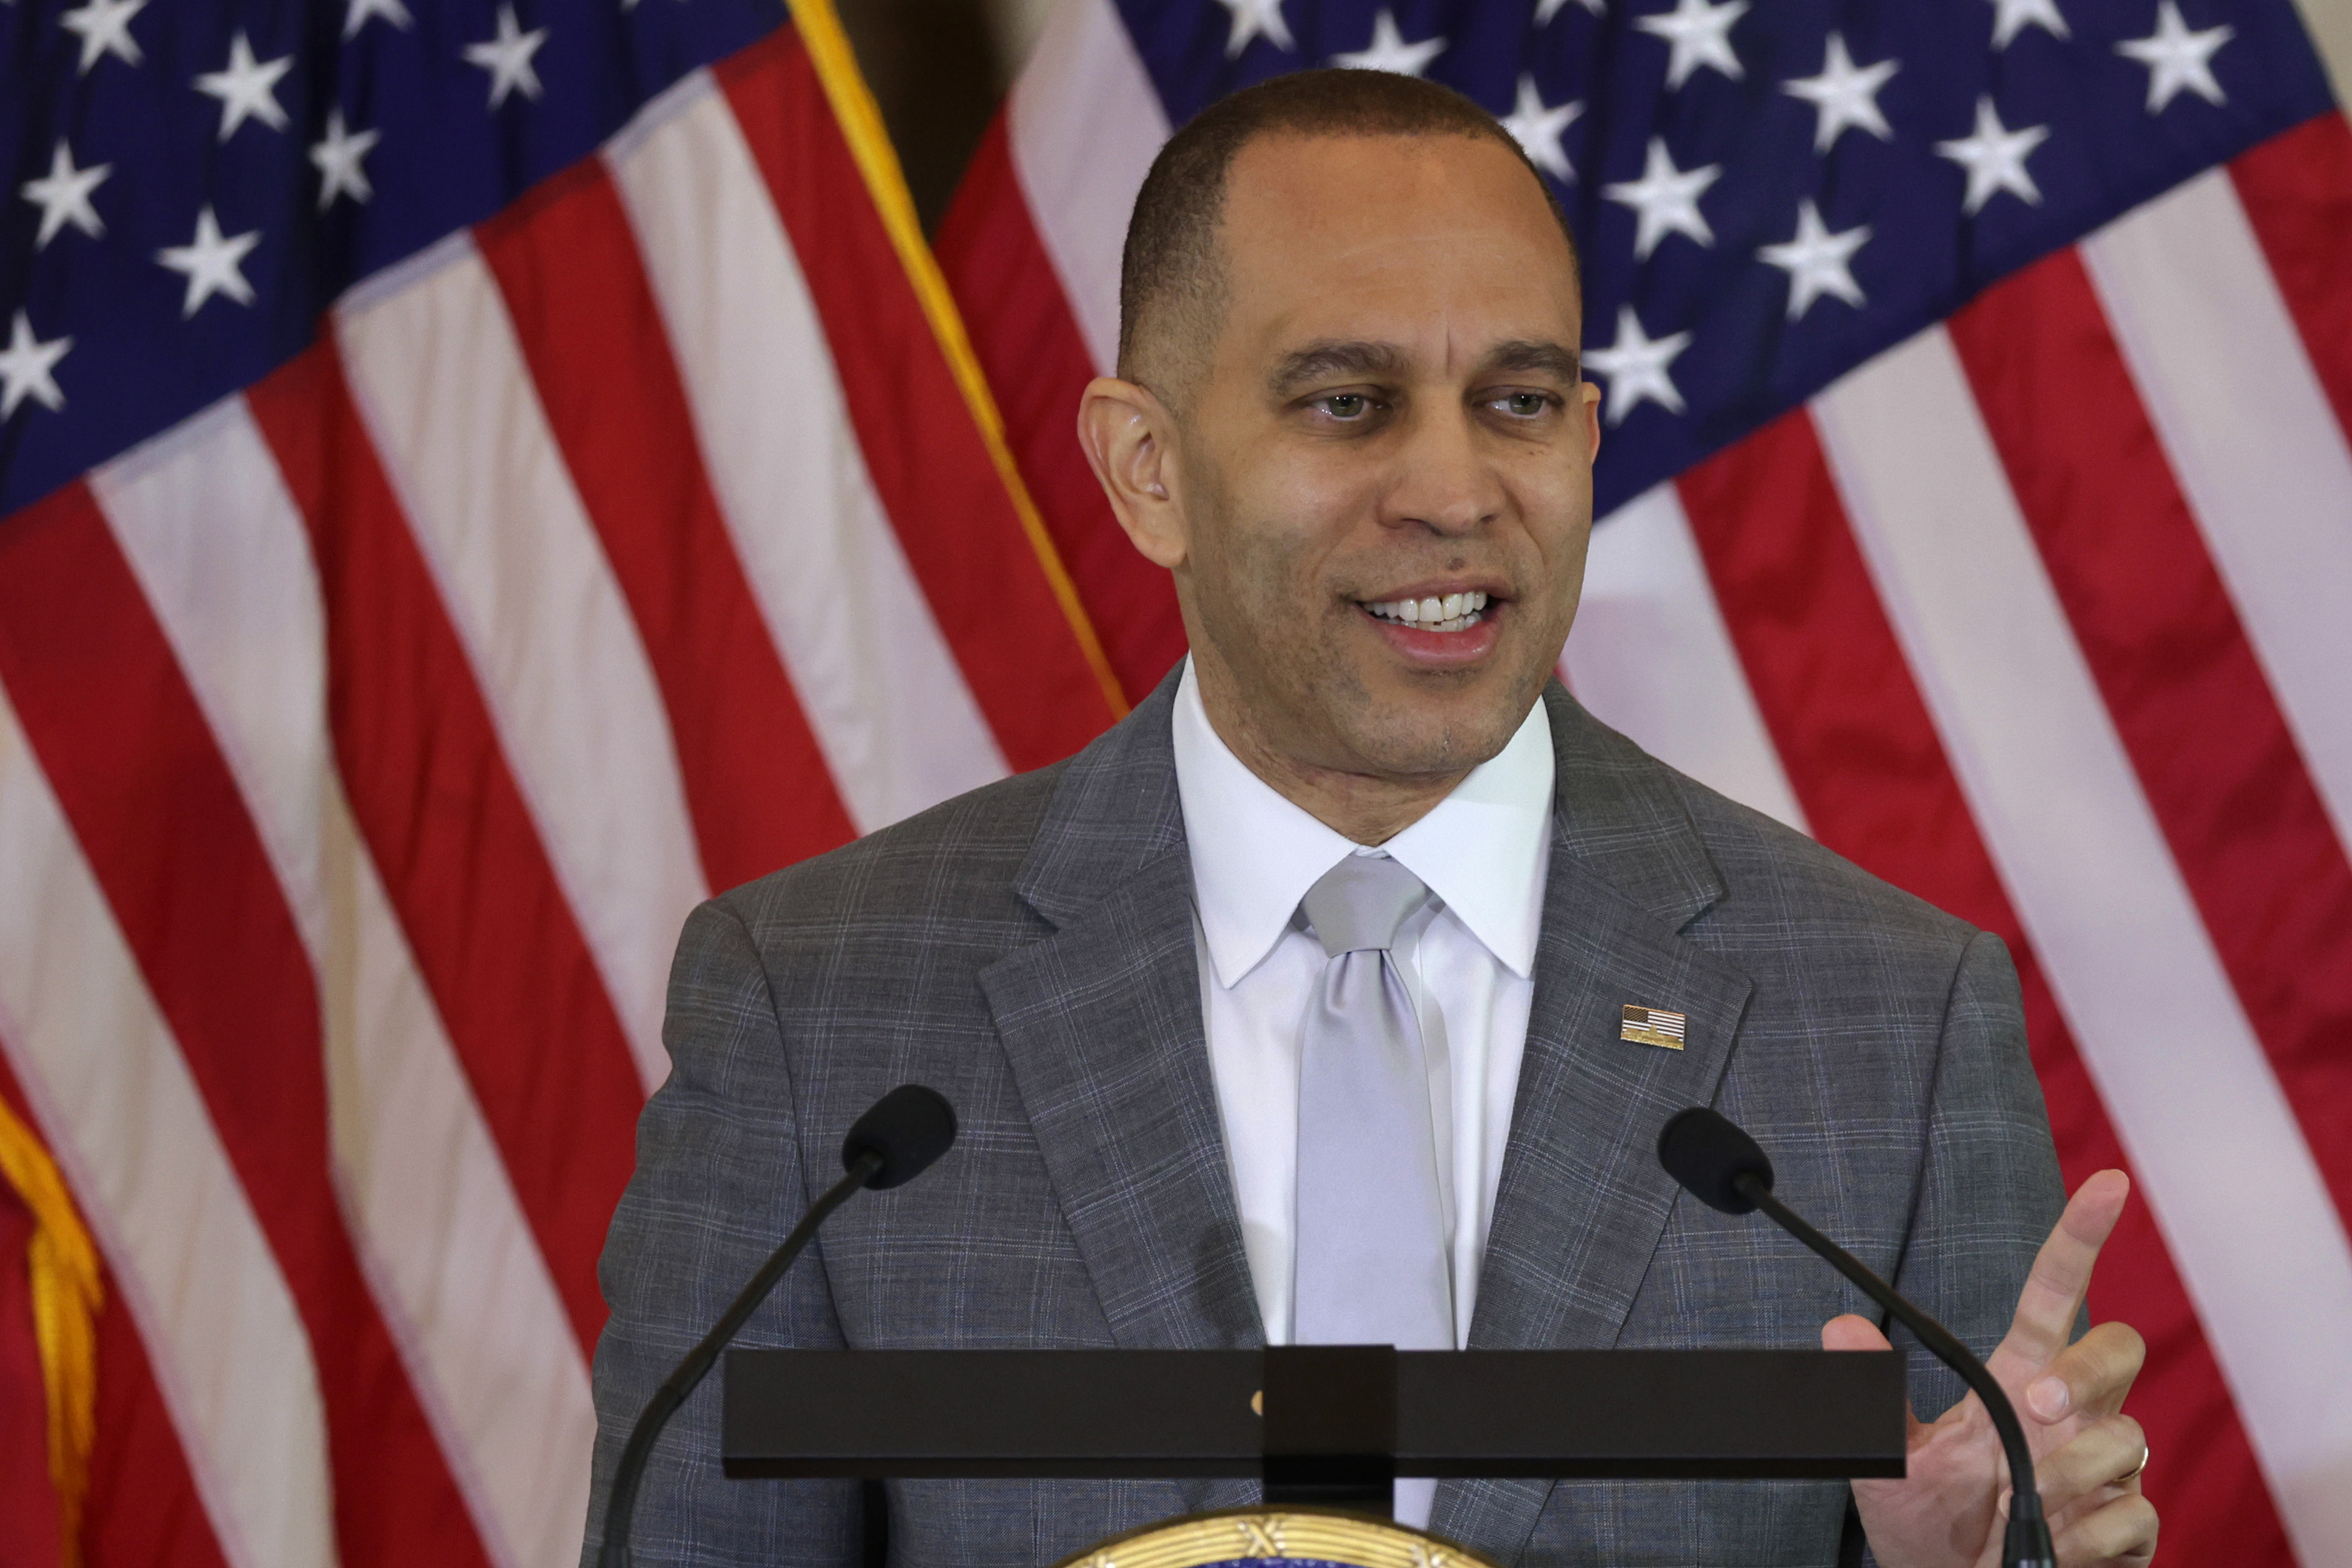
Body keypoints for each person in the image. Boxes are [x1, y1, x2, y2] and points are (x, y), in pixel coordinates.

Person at [581, 69, 2158, 1567]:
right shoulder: (824, 1014)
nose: (1454, 490)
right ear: (1147, 471)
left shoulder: (1885, 1019)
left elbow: (1978, 1513)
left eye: (1519, 401)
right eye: (1347, 403)